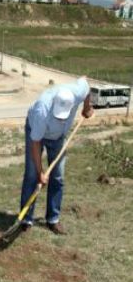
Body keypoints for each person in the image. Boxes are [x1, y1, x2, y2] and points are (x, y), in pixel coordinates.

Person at [20, 76, 94, 235]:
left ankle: (53, 219)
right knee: (32, 175)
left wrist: (87, 107)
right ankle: (26, 219)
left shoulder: (77, 92)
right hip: (36, 133)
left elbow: (86, 84)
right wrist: (40, 172)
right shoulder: (42, 110)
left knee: (58, 176)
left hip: (58, 138)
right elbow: (35, 144)